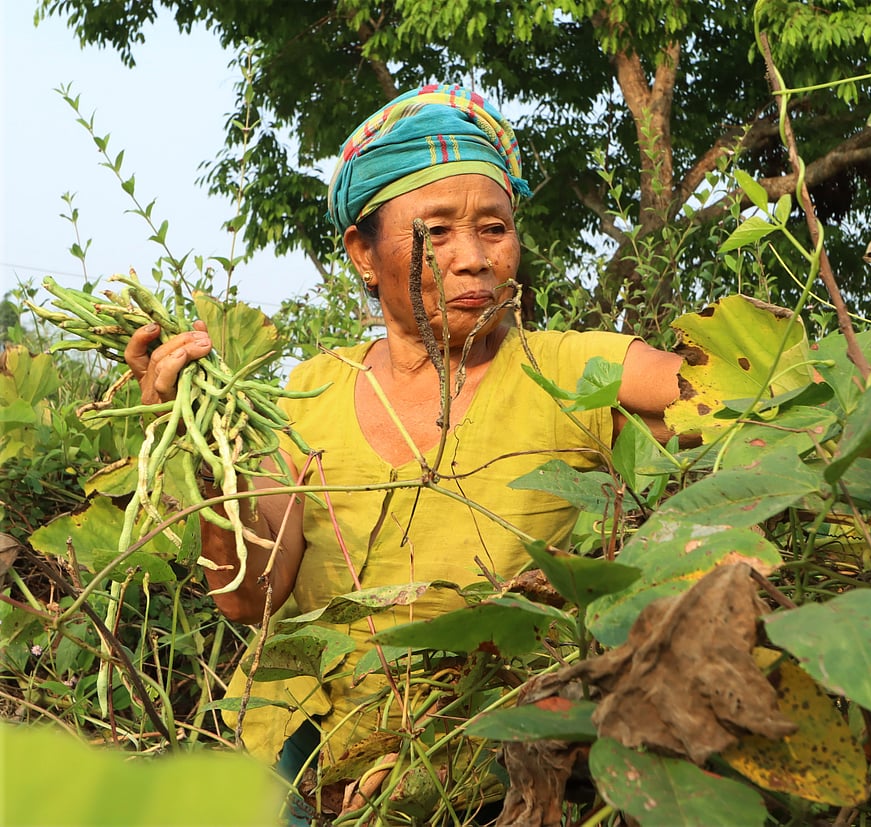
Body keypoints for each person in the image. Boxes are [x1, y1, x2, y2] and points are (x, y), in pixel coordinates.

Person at [124, 83, 682, 821]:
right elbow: (248, 596)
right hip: (310, 763)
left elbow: (725, 389)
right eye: (438, 232)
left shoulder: (570, 369)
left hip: (491, 754)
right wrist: (205, 441)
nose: (475, 259)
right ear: (363, 250)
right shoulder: (307, 394)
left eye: (494, 228)